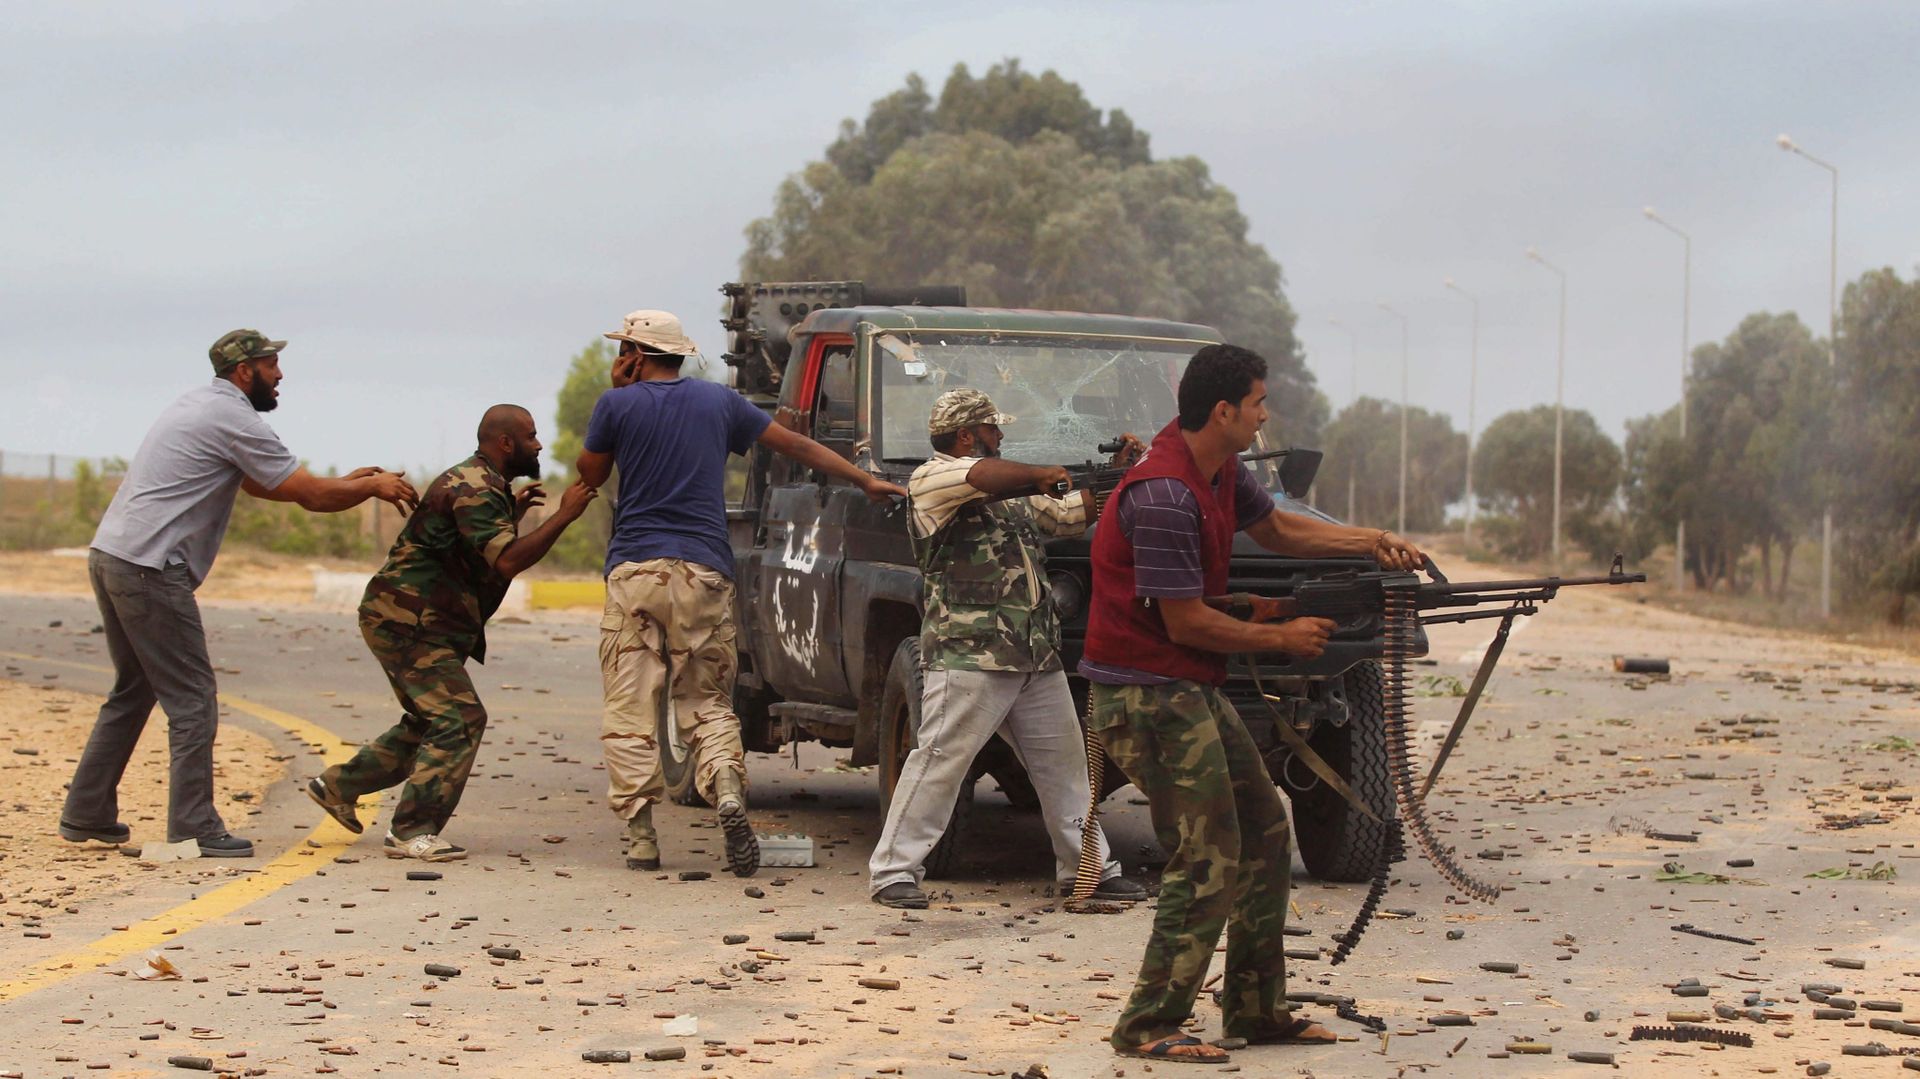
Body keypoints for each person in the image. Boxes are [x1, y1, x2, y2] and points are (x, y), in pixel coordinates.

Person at [1079, 343, 1424, 1064]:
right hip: (1145, 696)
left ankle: (1256, 1010)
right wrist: (1283, 636)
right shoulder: (1167, 493)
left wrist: (1373, 543)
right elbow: (1187, 623)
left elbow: (1279, 529)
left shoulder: (1219, 470)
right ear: (1224, 411)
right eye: (1260, 403)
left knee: (1265, 832)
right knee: (1208, 857)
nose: (1268, 415)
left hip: (1183, 686)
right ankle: (1149, 1022)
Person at [60, 329, 418, 858]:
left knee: (134, 690)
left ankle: (87, 813)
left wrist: (347, 481)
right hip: (150, 569)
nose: (280, 375)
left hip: (114, 555)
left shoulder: (201, 405)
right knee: (193, 699)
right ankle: (193, 827)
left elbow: (262, 482)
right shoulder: (232, 416)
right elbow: (312, 498)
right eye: (272, 365)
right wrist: (370, 486)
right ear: (245, 370)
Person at [576, 310, 904, 877]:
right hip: (704, 571)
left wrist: (617, 393)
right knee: (704, 698)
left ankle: (641, 836)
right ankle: (726, 786)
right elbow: (795, 447)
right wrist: (865, 479)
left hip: (635, 572)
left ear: (633, 351)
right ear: (678, 353)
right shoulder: (720, 404)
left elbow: (589, 472)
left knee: (631, 704)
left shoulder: (618, 405)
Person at [868, 389, 1149, 910]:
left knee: (1066, 768)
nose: (1002, 437)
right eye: (993, 430)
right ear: (967, 435)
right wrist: (1039, 472)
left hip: (1032, 653)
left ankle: (1087, 869)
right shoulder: (931, 478)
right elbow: (980, 478)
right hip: (970, 653)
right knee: (939, 761)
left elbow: (1070, 515)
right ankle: (892, 872)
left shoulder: (1014, 493)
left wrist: (1118, 474)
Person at [306, 405, 596, 861]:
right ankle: (411, 830)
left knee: (429, 721)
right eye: (532, 436)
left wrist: (512, 517)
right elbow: (508, 561)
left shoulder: (485, 486)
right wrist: (565, 516)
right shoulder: (476, 487)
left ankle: (338, 786)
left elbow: (476, 548)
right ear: (505, 443)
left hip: (416, 619)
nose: (539, 445)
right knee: (459, 718)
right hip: (409, 621)